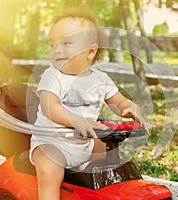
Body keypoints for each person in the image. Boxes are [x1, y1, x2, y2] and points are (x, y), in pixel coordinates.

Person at [30, 6, 147, 200]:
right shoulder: (52, 75)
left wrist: (129, 107)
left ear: (90, 51)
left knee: (114, 159)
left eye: (66, 43)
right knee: (50, 170)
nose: (57, 50)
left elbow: (118, 102)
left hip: (86, 144)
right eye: (52, 45)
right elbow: (50, 108)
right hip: (52, 143)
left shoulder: (101, 79)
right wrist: (77, 120)